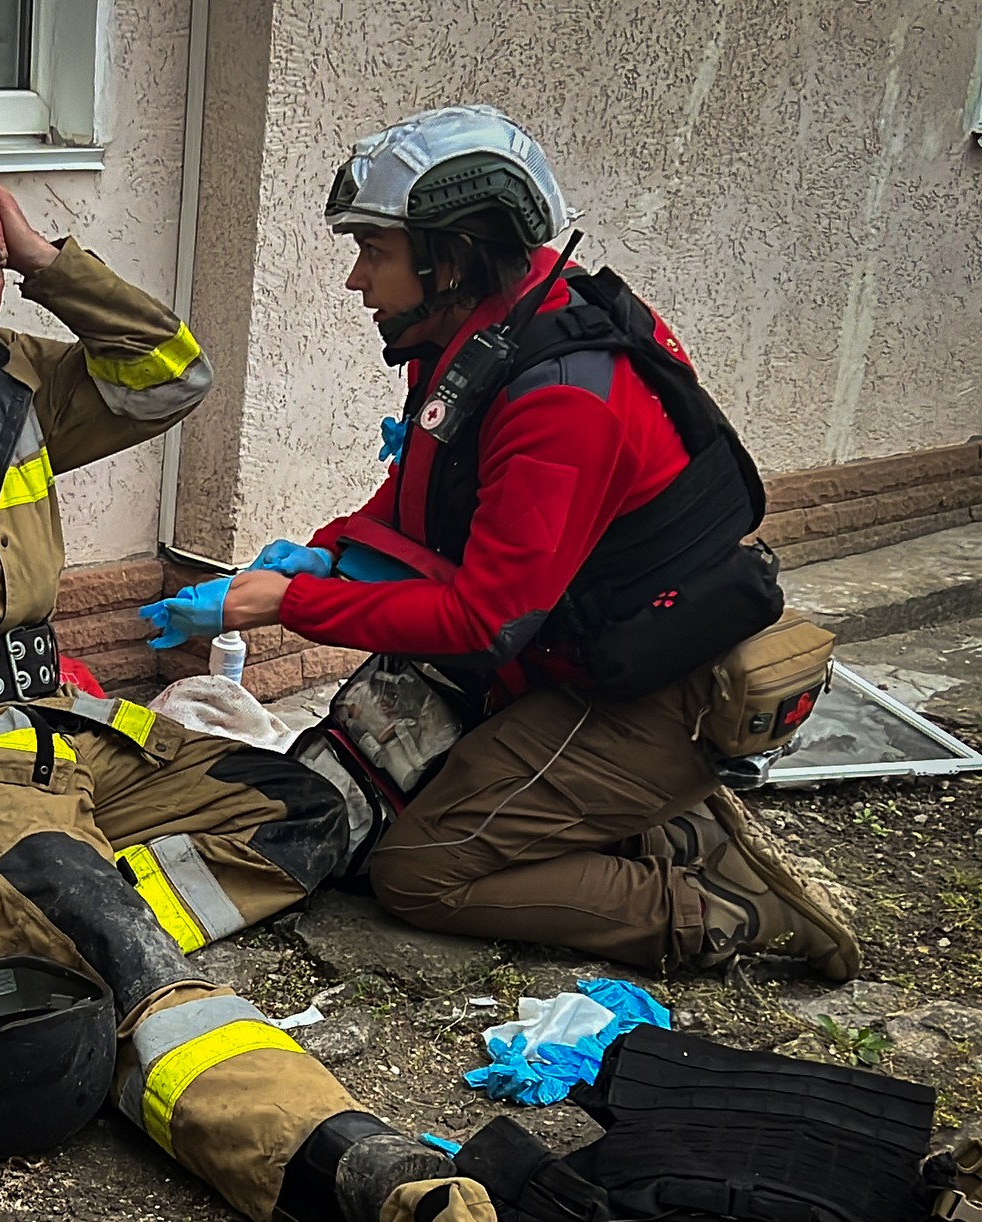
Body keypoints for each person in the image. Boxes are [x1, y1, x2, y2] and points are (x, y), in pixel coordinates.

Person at [0, 159, 449, 1222]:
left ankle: (13, 940)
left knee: (302, 812)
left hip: (62, 735)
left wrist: (46, 261)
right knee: (117, 942)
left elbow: (172, 373)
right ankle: (327, 1153)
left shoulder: (19, 376)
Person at [168, 104, 860, 981]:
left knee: (418, 873)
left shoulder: (560, 397)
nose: (355, 280)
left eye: (373, 251)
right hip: (578, 651)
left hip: (648, 691)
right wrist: (330, 550)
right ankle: (674, 828)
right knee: (389, 794)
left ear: (447, 256)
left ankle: (722, 909)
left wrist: (293, 603)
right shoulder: (482, 335)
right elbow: (423, 498)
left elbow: (484, 616)